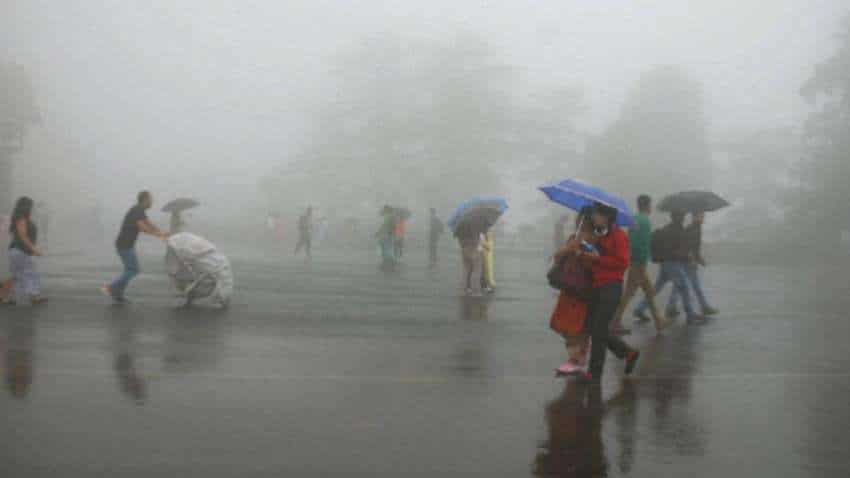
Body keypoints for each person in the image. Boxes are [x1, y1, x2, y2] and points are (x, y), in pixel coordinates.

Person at [579, 203, 639, 385]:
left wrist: (598, 258)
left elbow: (622, 263)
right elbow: (595, 259)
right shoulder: (599, 235)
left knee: (598, 331)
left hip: (611, 287)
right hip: (596, 285)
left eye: (597, 214)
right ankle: (627, 352)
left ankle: (594, 374)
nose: (594, 217)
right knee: (592, 327)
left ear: (607, 216)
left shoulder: (619, 236)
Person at [610, 195, 668, 335]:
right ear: (647, 205)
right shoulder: (645, 221)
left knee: (648, 292)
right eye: (650, 204)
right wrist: (641, 263)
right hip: (639, 263)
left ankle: (659, 321)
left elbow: (631, 241)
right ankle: (615, 321)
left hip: (635, 261)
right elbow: (641, 244)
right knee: (630, 293)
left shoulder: (634, 219)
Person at [633, 211, 704, 323]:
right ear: (679, 218)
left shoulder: (667, 228)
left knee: (657, 287)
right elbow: (679, 251)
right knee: (684, 287)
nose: (683, 218)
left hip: (665, 263)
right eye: (682, 216)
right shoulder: (678, 230)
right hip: (672, 264)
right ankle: (690, 315)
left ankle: (640, 308)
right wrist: (689, 258)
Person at [550, 207, 596, 375]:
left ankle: (577, 360)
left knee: (578, 327)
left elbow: (595, 265)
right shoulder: (573, 238)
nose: (581, 225)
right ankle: (577, 357)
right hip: (568, 289)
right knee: (563, 326)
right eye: (580, 222)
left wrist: (581, 252)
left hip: (583, 292)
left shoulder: (596, 243)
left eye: (585, 223)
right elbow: (557, 257)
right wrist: (570, 248)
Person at [101, 191, 167, 304]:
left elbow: (149, 224)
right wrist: (158, 235)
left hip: (126, 244)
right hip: (124, 245)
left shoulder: (139, 210)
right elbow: (142, 227)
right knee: (133, 270)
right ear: (145, 200)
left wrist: (161, 232)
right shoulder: (137, 210)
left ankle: (117, 294)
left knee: (129, 270)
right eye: (150, 199)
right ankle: (111, 288)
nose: (152, 202)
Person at [666, 211, 718, 317]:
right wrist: (694, 259)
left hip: (686, 260)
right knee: (693, 285)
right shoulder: (694, 228)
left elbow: (694, 246)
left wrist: (699, 258)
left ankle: (671, 306)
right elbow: (689, 245)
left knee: (681, 284)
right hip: (688, 260)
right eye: (701, 216)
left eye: (703, 216)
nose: (703, 218)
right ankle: (703, 307)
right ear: (695, 217)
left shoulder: (694, 227)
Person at [4, 197, 47, 305]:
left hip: (18, 250)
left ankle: (2, 296)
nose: (32, 208)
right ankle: (35, 297)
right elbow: (23, 236)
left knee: (17, 275)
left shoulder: (21, 218)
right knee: (29, 273)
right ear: (25, 206)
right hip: (20, 250)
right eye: (30, 206)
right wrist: (34, 249)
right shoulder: (21, 218)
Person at [455, 222, 482, 296]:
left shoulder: (459, 227)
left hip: (464, 250)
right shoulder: (474, 226)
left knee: (465, 271)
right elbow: (477, 241)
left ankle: (462, 291)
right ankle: (475, 291)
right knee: (476, 270)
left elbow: (459, 242)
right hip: (474, 250)